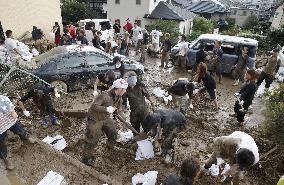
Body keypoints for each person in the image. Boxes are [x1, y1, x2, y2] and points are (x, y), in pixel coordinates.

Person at [82, 79, 128, 166]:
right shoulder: (104, 95)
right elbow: (94, 106)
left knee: (113, 132)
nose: (125, 91)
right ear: (119, 89)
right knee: (92, 139)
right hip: (95, 118)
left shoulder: (119, 98)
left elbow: (119, 110)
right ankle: (86, 158)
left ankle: (110, 146)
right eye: (124, 89)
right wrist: (106, 109)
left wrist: (125, 118)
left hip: (105, 118)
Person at [0, 95, 35, 170]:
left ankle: (26, 138)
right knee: (2, 143)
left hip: (10, 120)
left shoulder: (2, 98)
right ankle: (6, 159)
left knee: (20, 130)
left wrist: (13, 111)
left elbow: (8, 103)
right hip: (0, 128)